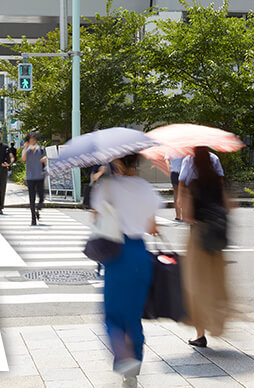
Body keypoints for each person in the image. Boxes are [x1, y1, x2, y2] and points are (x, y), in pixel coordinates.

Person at [90, 154, 159, 388]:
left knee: (112, 315)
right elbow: (152, 226)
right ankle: (134, 366)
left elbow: (95, 216)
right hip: (140, 254)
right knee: (133, 315)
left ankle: (124, 358)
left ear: (118, 162)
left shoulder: (107, 186)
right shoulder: (145, 187)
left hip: (117, 255)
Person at [180, 146, 230, 349]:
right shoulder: (217, 184)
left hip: (198, 239)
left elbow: (187, 216)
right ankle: (217, 322)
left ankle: (200, 334)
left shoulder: (193, 185)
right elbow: (228, 208)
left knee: (196, 286)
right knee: (216, 283)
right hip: (216, 240)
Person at [22, 132, 46, 225]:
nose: (32, 141)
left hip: (40, 176)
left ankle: (37, 209)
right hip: (30, 177)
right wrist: (25, 147)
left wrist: (45, 160)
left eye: (34, 139)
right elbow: (23, 159)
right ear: (28, 141)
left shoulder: (41, 149)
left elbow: (45, 161)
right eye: (31, 139)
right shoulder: (27, 151)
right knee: (31, 199)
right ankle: (33, 218)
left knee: (41, 198)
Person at [166, 154, 186, 221]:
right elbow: (167, 159)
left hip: (183, 172)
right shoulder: (170, 149)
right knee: (176, 193)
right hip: (174, 172)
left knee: (183, 193)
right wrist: (169, 166)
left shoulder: (183, 150)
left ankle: (184, 215)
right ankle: (178, 215)